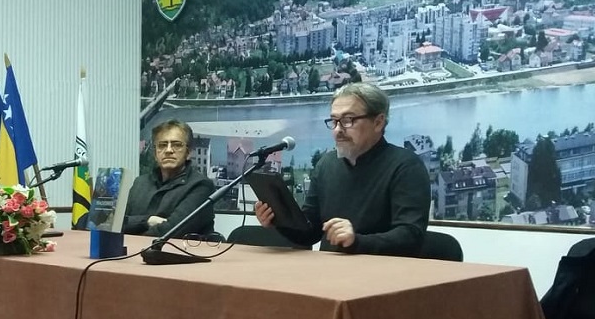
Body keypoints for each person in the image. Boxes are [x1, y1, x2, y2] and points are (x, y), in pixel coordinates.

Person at [255, 82, 430, 256]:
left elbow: (410, 236)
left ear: (378, 122)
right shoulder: (326, 164)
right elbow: (310, 232)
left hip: (382, 270)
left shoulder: (406, 166)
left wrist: (356, 241)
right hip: (330, 269)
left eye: (347, 120)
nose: (338, 130)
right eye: (334, 121)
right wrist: (279, 220)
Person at [124, 119, 216, 237]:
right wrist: (147, 221)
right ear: (155, 154)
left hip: (173, 249)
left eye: (176, 145)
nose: (168, 150)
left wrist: (133, 230)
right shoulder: (140, 183)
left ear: (188, 153)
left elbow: (171, 231)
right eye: (162, 145)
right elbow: (115, 223)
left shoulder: (201, 186)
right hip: (131, 248)